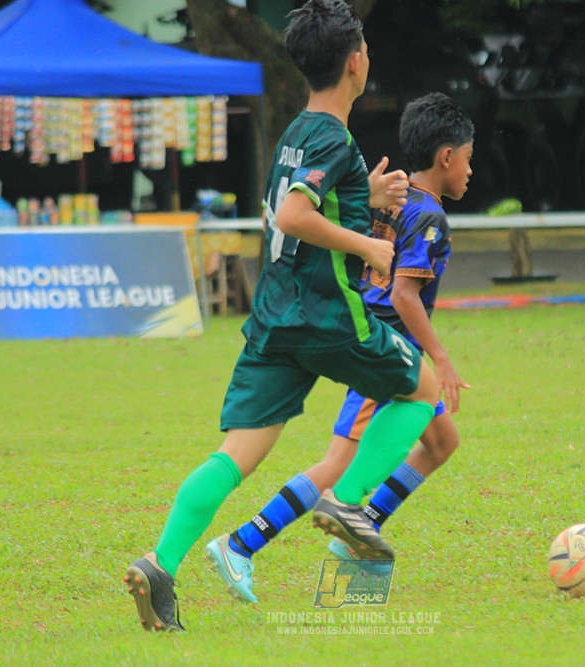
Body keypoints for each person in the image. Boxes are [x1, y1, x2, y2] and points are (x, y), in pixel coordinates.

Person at [124, 0, 440, 631]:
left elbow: (286, 210)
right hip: (324, 315)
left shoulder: (298, 133)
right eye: (367, 50)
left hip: (274, 318)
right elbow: (296, 217)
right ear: (356, 62)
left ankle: (161, 564)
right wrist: (369, 242)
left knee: (235, 454)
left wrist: (363, 196)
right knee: (423, 393)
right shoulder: (331, 134)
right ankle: (349, 504)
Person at [206, 92, 474, 603]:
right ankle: (242, 543)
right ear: (446, 157)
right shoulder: (431, 218)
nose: (470, 169)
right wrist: (440, 356)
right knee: (335, 468)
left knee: (442, 443)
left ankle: (360, 530)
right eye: (467, 157)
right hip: (386, 355)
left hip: (385, 345)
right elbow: (403, 292)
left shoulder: (397, 200)